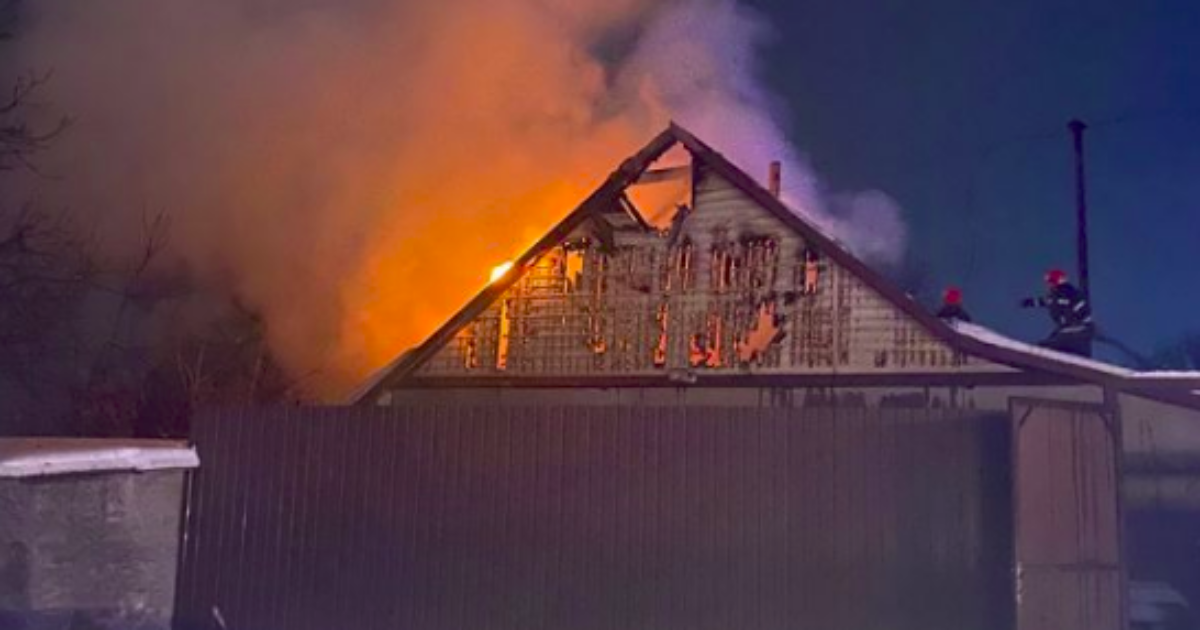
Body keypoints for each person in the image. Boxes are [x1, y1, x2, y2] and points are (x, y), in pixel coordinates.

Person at [1021, 268, 1093, 356]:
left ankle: (1070, 352)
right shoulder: (1055, 295)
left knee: (1053, 345)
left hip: (1073, 329)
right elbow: (1047, 301)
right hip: (1064, 329)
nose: (1049, 285)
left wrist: (1084, 323)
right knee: (1050, 343)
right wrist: (1031, 302)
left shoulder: (1070, 293)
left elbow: (1081, 308)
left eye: (1051, 281)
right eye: (1048, 282)